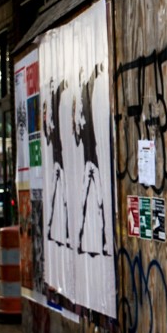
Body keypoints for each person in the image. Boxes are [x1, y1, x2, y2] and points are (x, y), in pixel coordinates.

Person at [73, 63, 108, 257]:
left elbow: (91, 83)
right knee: (85, 202)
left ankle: (102, 243)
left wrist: (95, 70)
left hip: (93, 159)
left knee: (100, 202)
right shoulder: (78, 113)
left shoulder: (86, 102)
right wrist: (77, 129)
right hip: (88, 162)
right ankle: (78, 241)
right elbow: (77, 140)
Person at [44, 77, 69, 249]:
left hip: (58, 157)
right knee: (56, 196)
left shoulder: (53, 104)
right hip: (56, 158)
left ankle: (59, 230)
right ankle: (56, 229)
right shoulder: (49, 111)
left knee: (58, 196)